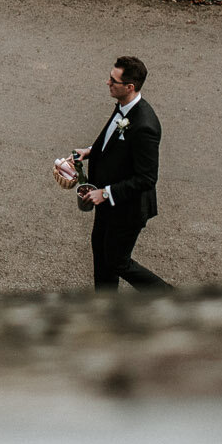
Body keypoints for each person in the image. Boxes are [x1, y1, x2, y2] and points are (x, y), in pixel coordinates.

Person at [55, 57, 172, 291]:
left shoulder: (145, 126)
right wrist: (88, 152)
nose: (107, 82)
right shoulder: (122, 107)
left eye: (113, 80)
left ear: (130, 87)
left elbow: (147, 178)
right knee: (101, 252)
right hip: (107, 201)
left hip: (127, 208)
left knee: (118, 262)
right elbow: (110, 140)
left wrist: (106, 194)